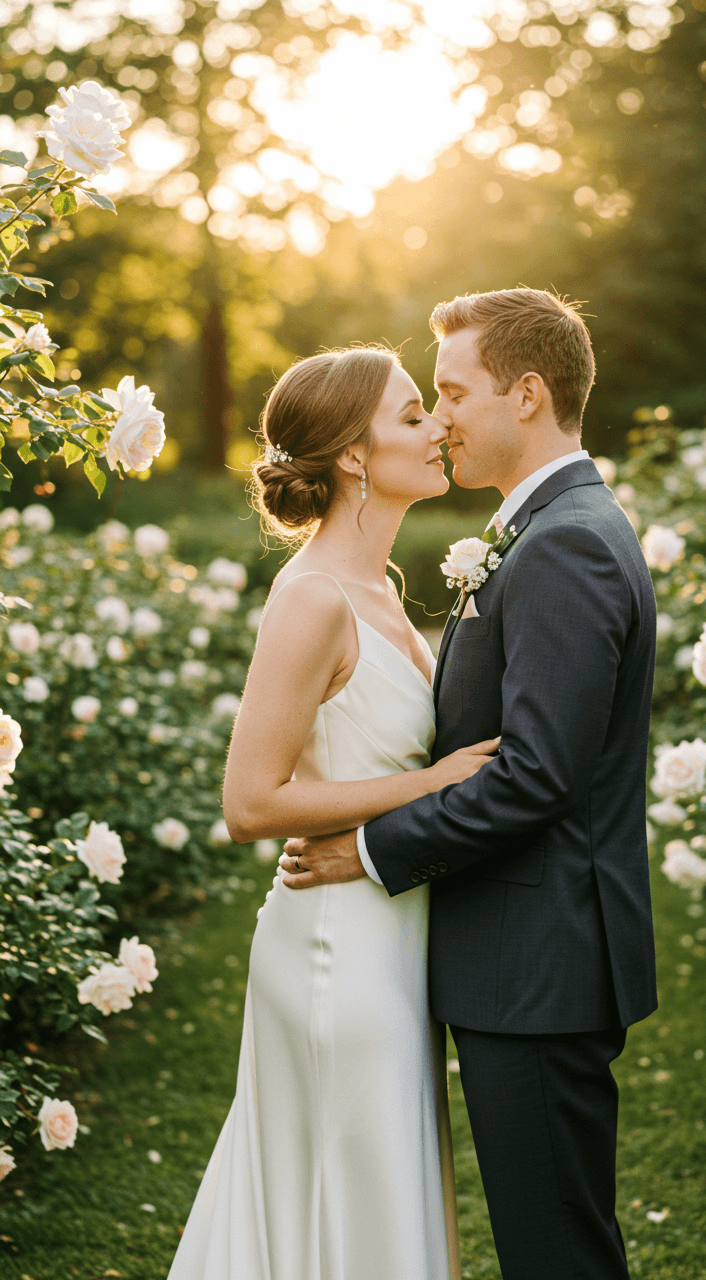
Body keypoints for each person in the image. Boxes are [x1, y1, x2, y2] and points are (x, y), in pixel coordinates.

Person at [280, 288, 659, 1280]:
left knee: (555, 1249)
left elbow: (532, 775)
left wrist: (364, 851)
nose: (439, 415)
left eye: (452, 390)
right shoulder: (546, 526)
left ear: (525, 394)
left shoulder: (564, 540)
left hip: (539, 964)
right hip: (528, 957)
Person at [168, 345, 499, 1280]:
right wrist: (432, 785)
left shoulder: (382, 592)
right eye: (410, 415)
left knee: (375, 1190)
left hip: (392, 935)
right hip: (331, 952)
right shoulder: (313, 598)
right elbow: (250, 801)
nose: (436, 426)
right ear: (353, 455)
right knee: (354, 1198)